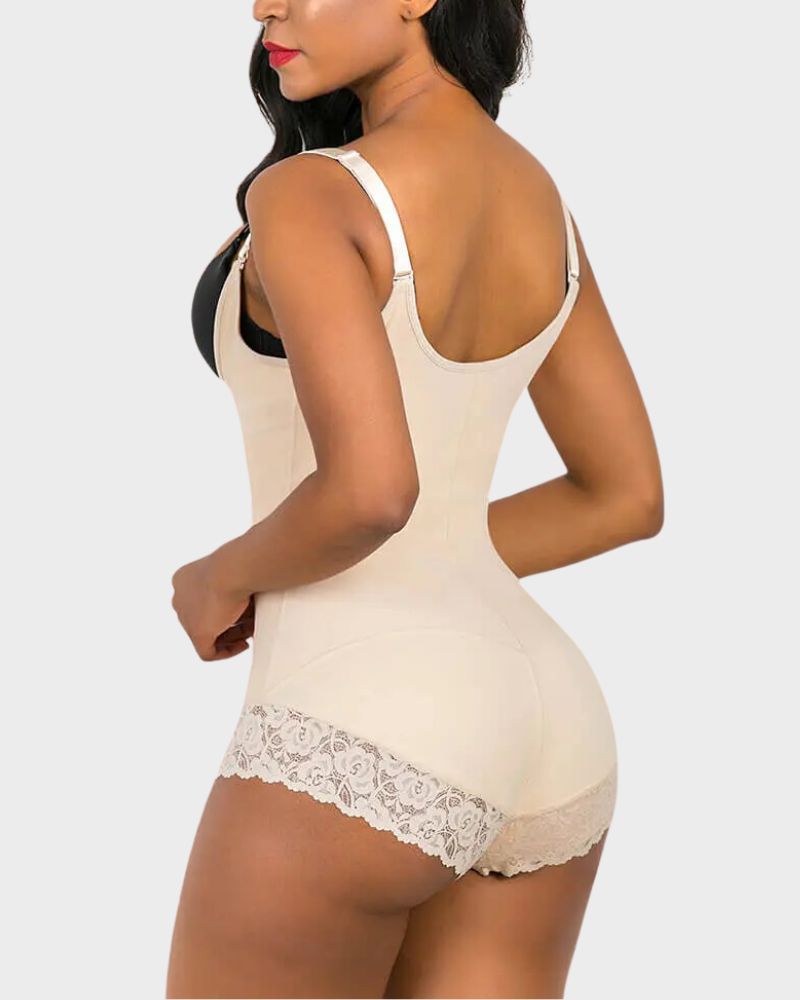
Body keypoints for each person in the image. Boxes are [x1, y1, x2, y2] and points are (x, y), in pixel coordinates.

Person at [167, 1, 664, 997]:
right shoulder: (538, 202)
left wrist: (218, 575)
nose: (263, 5)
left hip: (365, 712)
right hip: (551, 725)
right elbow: (623, 495)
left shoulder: (310, 195)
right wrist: (433, 563)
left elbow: (371, 490)